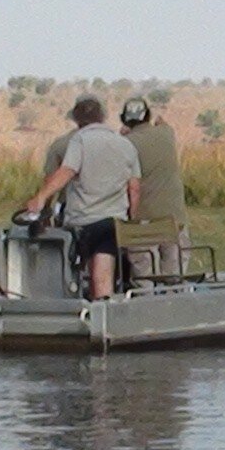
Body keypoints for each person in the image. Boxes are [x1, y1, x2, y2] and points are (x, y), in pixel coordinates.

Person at [20, 95, 140, 300]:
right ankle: (104, 314)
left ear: (76, 119)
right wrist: (132, 219)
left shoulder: (80, 140)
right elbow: (135, 187)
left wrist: (40, 198)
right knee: (102, 277)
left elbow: (67, 170)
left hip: (83, 220)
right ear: (102, 117)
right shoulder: (125, 144)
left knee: (78, 274)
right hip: (114, 221)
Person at [119, 97, 190, 280]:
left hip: (143, 223)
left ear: (124, 119)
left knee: (144, 276)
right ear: (147, 116)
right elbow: (163, 123)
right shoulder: (167, 133)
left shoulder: (126, 144)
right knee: (174, 275)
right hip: (173, 220)